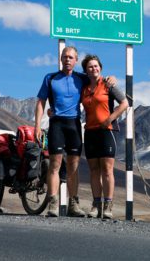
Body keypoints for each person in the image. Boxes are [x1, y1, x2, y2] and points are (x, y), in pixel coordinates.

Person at [35, 46, 116, 217]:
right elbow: (41, 102)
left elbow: (98, 79)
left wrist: (112, 79)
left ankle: (73, 204)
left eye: (71, 57)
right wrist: (37, 125)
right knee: (55, 165)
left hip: (74, 125)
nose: (67, 60)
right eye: (65, 57)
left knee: (73, 166)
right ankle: (53, 204)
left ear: (76, 60)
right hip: (56, 124)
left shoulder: (82, 78)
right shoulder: (50, 78)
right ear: (60, 59)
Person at [80, 54, 129, 219]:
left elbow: (125, 103)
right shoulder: (84, 88)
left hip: (107, 132)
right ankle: (96, 205)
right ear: (86, 71)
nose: (94, 69)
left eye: (96, 66)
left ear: (100, 68)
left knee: (107, 170)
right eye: (90, 67)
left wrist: (110, 119)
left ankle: (108, 205)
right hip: (90, 132)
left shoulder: (108, 84)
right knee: (94, 170)